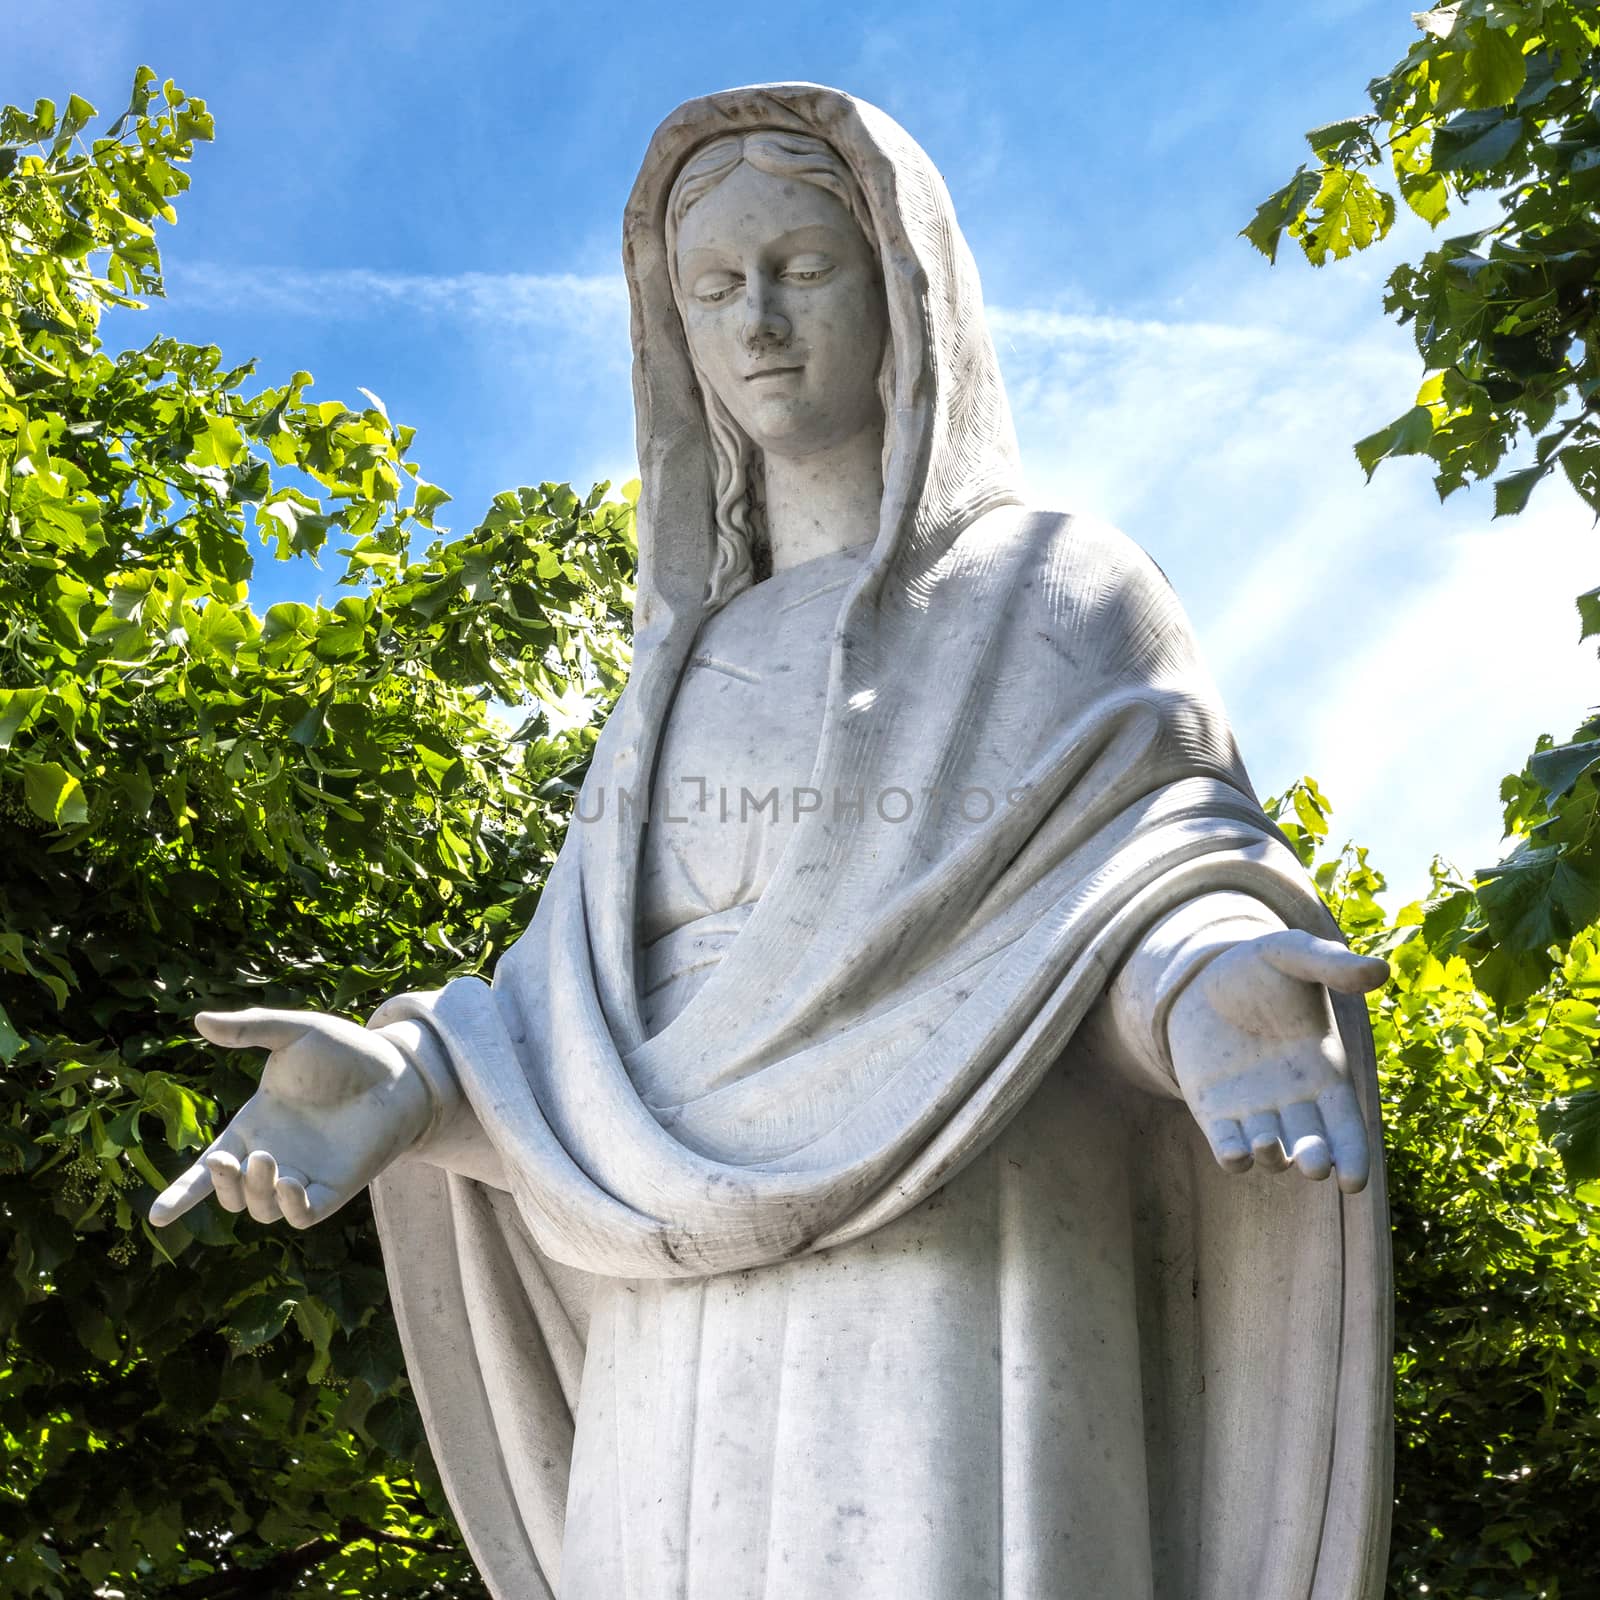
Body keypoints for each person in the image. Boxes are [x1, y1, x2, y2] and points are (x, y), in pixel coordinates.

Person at [154, 83, 1392, 1599]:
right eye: (715, 289)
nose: (759, 325)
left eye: (805, 270)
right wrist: (407, 1084)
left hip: (962, 1236)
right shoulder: (666, 682)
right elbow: (573, 1029)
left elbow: (1144, 881)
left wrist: (1209, 995)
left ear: (905, 290)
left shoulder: (1057, 590)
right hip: (667, 1307)